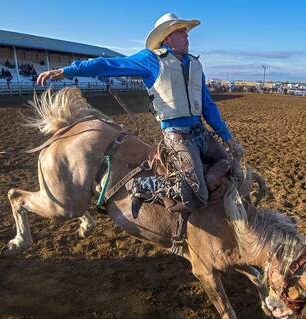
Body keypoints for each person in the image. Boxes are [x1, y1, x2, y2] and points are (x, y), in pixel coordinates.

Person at [37, 13, 244, 212]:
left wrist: (229, 138)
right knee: (196, 196)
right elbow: (108, 64)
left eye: (186, 32)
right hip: (178, 136)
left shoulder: (195, 65)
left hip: (200, 133)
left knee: (233, 171)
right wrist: (68, 70)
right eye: (182, 31)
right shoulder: (151, 60)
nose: (187, 35)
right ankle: (142, 186)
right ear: (167, 37)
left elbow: (208, 106)